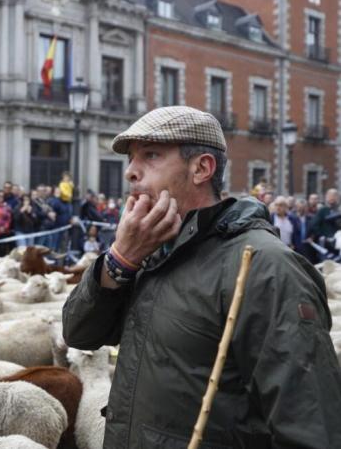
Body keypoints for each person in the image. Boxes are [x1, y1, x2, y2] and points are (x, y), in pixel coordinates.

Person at [62, 106, 341, 448]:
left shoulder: (265, 267)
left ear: (202, 168)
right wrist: (121, 259)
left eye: (150, 155)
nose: (131, 172)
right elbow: (79, 333)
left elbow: (311, 428)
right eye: (131, 159)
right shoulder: (150, 252)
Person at [0, 190, 13, 256]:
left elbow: (9, 219)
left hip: (4, 231)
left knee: (3, 249)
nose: (0, 198)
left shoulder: (7, 207)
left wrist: (5, 227)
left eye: (2, 196)